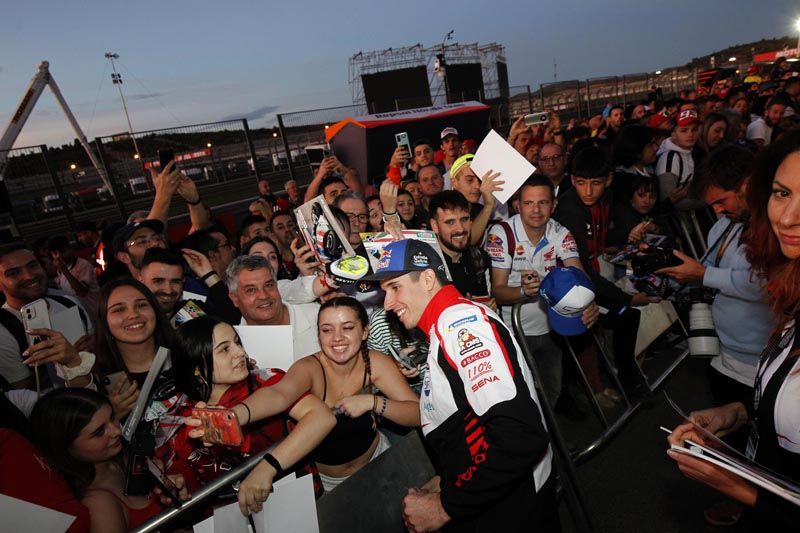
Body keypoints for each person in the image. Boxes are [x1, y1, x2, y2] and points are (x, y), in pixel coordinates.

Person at [365, 239, 557, 532]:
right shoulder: (444, 326)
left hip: (515, 504)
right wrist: (449, 480)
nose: (388, 304)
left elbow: (520, 435)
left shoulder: (463, 325)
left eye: (395, 287)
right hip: (497, 495)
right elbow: (471, 423)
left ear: (428, 278)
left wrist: (444, 507)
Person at [667, 128, 800, 530]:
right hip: (731, 353)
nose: (789, 217)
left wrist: (741, 490)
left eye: (723, 201)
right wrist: (734, 415)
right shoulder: (790, 313)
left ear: (745, 188)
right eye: (782, 194)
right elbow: (780, 418)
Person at [157, 316, 335, 508]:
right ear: (197, 369)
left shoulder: (265, 382)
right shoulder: (180, 417)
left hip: (296, 502)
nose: (240, 352)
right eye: (225, 349)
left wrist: (267, 467)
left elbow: (322, 418)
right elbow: (190, 485)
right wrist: (180, 488)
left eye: (237, 343)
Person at [283, 296, 420, 493]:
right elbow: (278, 394)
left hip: (381, 460)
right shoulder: (307, 369)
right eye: (327, 330)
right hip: (331, 485)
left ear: (364, 332)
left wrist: (373, 402)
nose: (337, 337)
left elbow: (417, 413)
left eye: (347, 328)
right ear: (318, 335)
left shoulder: (374, 362)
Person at [487, 176, 598, 405]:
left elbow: (578, 274)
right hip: (512, 332)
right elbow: (497, 291)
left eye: (543, 203)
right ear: (518, 205)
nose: (536, 210)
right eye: (528, 203)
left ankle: (552, 438)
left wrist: (589, 301)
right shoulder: (501, 233)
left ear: (554, 205)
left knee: (551, 392)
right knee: (519, 398)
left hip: (550, 328)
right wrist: (524, 292)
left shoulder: (561, 232)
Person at [553, 145, 654, 398]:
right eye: (580, 183)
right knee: (624, 316)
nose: (588, 191)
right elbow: (582, 270)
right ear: (572, 180)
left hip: (597, 274)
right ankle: (618, 381)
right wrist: (628, 298)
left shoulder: (606, 199)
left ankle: (620, 377)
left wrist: (626, 236)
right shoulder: (570, 211)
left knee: (623, 318)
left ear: (608, 180)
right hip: (573, 284)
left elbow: (602, 237)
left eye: (595, 183)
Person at [29, 388, 190, 532]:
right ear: (66, 448)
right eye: (99, 432)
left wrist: (175, 493)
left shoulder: (126, 456)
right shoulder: (98, 504)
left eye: (112, 417)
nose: (115, 431)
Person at [0, 243, 94, 389]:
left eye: (33, 265)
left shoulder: (69, 302)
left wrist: (93, 349)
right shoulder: (3, 330)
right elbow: (23, 396)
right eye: (13, 273)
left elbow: (101, 356)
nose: (29, 276)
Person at [94, 279, 175, 419]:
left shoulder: (187, 359)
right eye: (119, 309)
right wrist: (112, 417)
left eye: (141, 305)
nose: (133, 315)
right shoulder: (96, 380)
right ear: (104, 322)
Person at [227, 255, 321, 360]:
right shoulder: (234, 349)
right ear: (234, 298)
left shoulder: (319, 317)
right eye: (251, 290)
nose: (263, 296)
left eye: (269, 285)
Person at [428, 191, 493, 306]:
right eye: (450, 222)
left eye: (464, 219)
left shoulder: (478, 258)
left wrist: (487, 309)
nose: (460, 229)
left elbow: (483, 298)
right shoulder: (426, 265)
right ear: (435, 226)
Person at [655, 109, 703, 208]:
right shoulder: (670, 158)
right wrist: (706, 201)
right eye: (684, 130)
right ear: (673, 134)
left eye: (694, 129)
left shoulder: (689, 152)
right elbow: (668, 201)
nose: (690, 134)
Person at [48, 235, 101, 318]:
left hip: (95, 312)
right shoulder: (59, 270)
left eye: (63, 251)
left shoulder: (83, 265)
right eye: (55, 253)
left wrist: (65, 271)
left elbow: (82, 292)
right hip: (80, 314)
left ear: (70, 249)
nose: (59, 256)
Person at [269, 211, 300, 279]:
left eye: (290, 225)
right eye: (281, 227)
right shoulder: (275, 264)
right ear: (273, 235)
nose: (287, 229)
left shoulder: (310, 252)